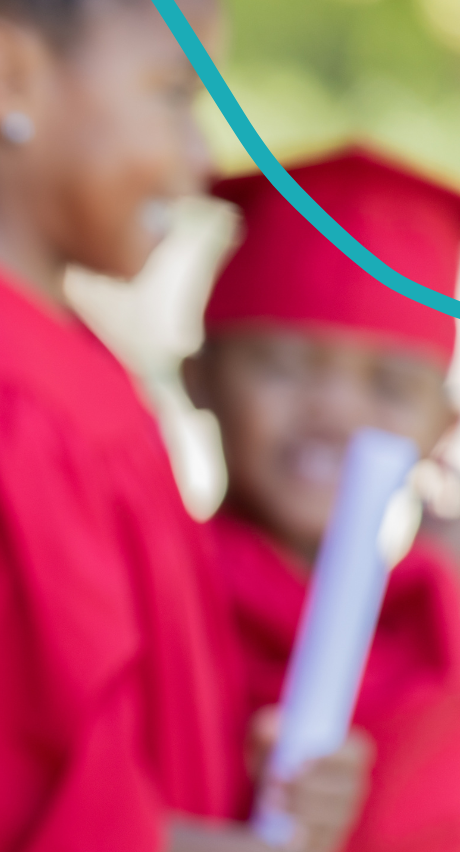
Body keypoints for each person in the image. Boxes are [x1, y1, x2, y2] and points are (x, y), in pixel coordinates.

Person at [0, 0, 368, 850]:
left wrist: (252, 785)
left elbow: (99, 746)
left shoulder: (50, 354)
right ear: (8, 77)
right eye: (173, 94)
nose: (198, 159)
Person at [184, 147, 460, 851]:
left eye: (392, 385)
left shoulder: (441, 640)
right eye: (284, 364)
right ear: (200, 378)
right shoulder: (148, 603)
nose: (336, 413)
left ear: (443, 426)